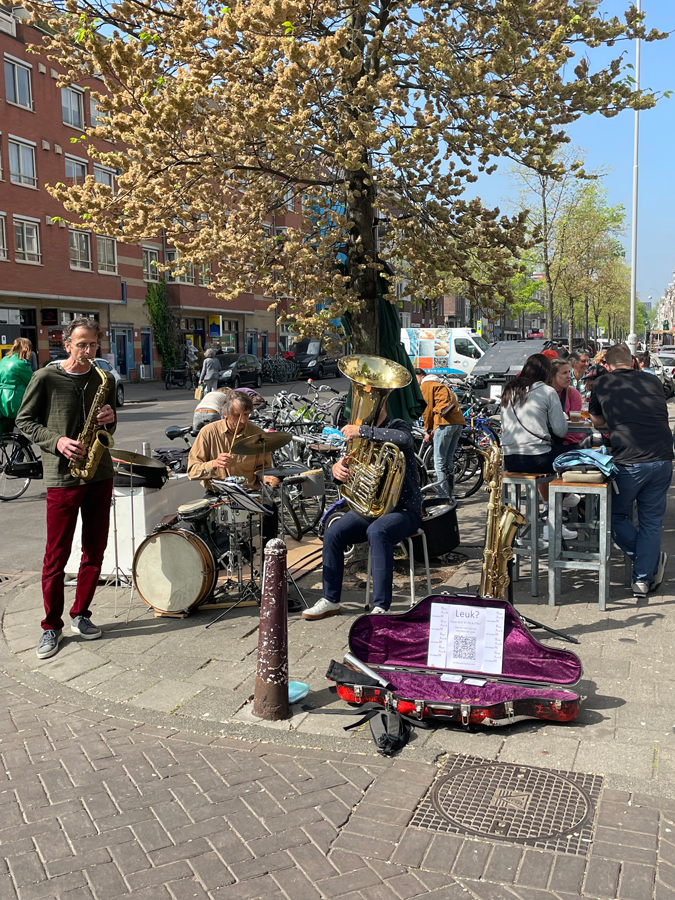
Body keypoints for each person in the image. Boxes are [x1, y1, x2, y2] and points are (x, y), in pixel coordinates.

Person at [16, 318, 116, 660]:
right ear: (67, 344)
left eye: (93, 345)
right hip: (62, 475)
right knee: (56, 556)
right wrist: (57, 441)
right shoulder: (45, 377)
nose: (88, 352)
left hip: (99, 473)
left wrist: (109, 416)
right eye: (81, 345)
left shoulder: (104, 378)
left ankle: (81, 614)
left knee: (95, 550)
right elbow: (24, 421)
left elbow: (113, 420)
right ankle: (50, 626)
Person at [302, 405, 422, 620]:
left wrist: (363, 431)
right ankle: (331, 600)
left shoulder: (396, 426)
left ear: (384, 403)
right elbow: (344, 475)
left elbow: (405, 439)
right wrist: (337, 471)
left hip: (404, 510)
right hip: (370, 509)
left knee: (378, 532)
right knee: (333, 532)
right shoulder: (357, 439)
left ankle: (380, 607)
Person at [589, 343, 672, 598]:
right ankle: (643, 579)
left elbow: (596, 421)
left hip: (630, 460)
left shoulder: (603, 383)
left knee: (613, 515)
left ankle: (648, 563)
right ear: (633, 362)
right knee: (651, 521)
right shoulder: (653, 382)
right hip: (662, 458)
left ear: (607, 365)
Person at [501, 353, 576, 540]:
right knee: (577, 454)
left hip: (510, 460)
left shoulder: (509, 389)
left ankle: (555, 507)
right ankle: (557, 511)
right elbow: (560, 431)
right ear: (546, 373)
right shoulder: (547, 391)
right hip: (536, 459)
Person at [187, 390, 280, 541]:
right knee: (198, 521)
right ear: (225, 414)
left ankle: (268, 559)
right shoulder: (208, 433)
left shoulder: (257, 434)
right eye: (237, 415)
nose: (243, 421)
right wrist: (214, 464)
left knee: (270, 510)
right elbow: (191, 471)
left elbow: (263, 469)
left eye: (246, 415)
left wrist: (267, 477)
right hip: (217, 492)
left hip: (248, 492)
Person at [415, 368, 464, 499]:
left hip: (444, 423)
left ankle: (442, 496)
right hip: (458, 422)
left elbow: (427, 410)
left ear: (420, 376)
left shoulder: (426, 386)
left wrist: (428, 430)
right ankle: (449, 494)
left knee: (439, 460)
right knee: (448, 459)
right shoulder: (442, 385)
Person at [0, 338, 34, 434]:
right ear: (26, 349)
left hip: (2, 399)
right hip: (14, 400)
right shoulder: (21, 363)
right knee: (36, 413)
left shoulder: (4, 360)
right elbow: (33, 381)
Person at [548, 358, 583, 446]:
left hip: (567, 444)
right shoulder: (544, 394)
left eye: (569, 372)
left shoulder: (572, 393)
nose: (569, 376)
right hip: (545, 444)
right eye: (564, 373)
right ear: (552, 376)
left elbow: (577, 425)